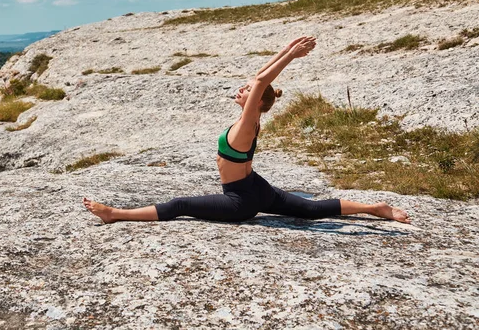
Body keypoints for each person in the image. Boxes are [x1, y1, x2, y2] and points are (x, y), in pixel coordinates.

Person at [83, 36, 411, 225]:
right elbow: (259, 78)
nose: (241, 89)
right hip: (256, 186)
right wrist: (285, 49)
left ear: (255, 102)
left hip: (241, 200)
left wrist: (292, 57)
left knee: (181, 204)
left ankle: (116, 214)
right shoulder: (249, 120)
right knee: (309, 209)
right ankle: (375, 208)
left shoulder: (248, 120)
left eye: (246, 91)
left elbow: (259, 82)